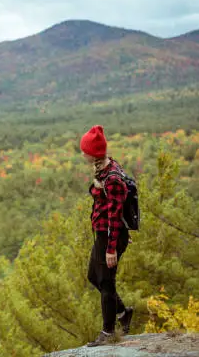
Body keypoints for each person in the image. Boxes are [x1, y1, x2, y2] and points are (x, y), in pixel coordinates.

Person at [80, 125, 134, 347]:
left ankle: (108, 332)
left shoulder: (111, 178)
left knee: (106, 282)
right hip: (104, 234)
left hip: (109, 236)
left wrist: (112, 248)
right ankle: (122, 312)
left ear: (93, 152)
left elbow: (114, 214)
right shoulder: (103, 168)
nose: (82, 153)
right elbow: (104, 201)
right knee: (94, 276)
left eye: (84, 150)